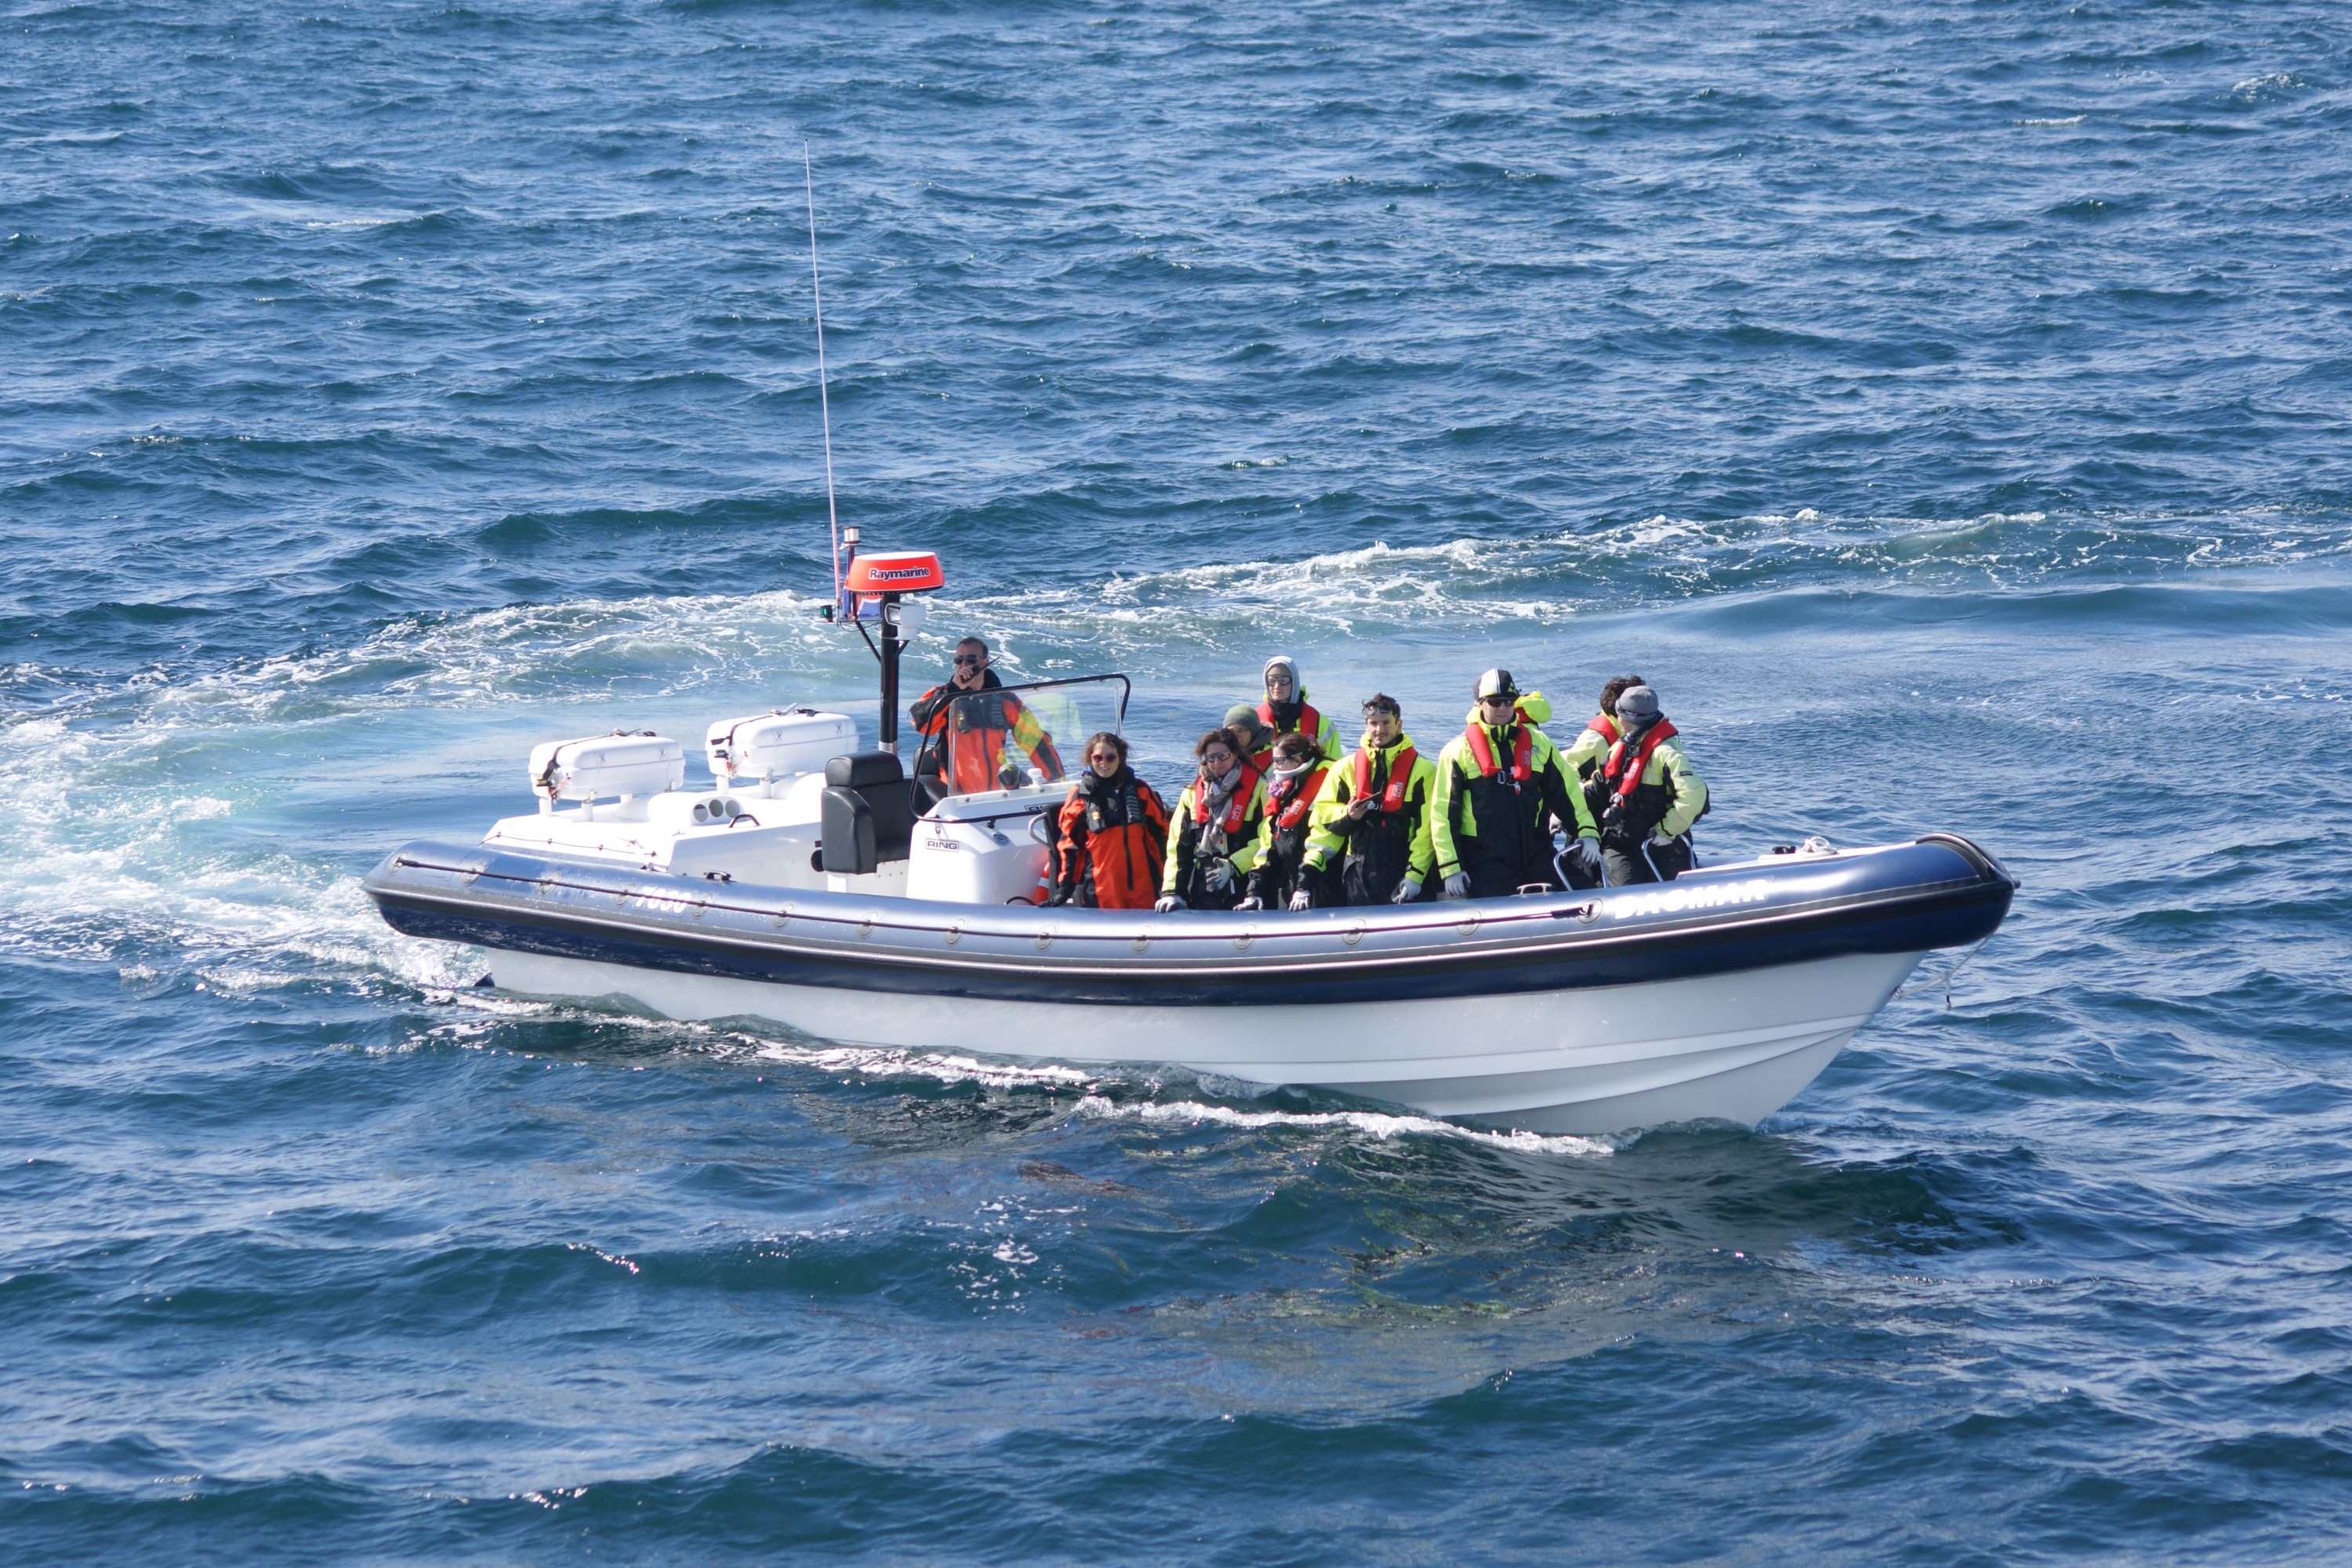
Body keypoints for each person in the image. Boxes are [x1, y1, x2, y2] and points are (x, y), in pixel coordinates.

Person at [1430, 667, 1601, 899]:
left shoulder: (1539, 743)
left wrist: (1587, 833)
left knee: (1587, 896)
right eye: (1495, 702)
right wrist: (1451, 867)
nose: (1503, 708)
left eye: (1509, 701)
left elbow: (1567, 794)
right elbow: (1443, 814)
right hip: (1486, 858)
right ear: (1480, 704)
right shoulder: (1457, 752)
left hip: (1536, 851)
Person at [1302, 694, 1437, 906]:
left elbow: (1427, 831)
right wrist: (1347, 815)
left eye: (1386, 723)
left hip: (1402, 873)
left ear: (1398, 724)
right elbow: (1323, 821)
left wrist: (1415, 876)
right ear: (1366, 726)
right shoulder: (1344, 769)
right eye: (1373, 723)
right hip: (1358, 876)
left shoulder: (1423, 770)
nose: (1379, 730)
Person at [909, 636, 1062, 797]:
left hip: (996, 794)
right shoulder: (943, 696)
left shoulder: (1005, 700)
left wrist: (1057, 780)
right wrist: (954, 690)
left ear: (985, 662)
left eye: (972, 659)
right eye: (959, 659)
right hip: (955, 794)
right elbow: (921, 725)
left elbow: (1035, 739)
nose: (964, 665)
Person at [1593, 684, 1708, 885]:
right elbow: (1597, 787)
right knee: (1622, 893)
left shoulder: (1666, 753)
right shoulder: (1620, 748)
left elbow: (1694, 795)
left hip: (1660, 843)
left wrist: (1667, 831)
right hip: (1622, 842)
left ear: (1625, 717)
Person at [1050, 731, 1171, 909]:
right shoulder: (1079, 797)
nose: (1103, 763)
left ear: (1120, 758)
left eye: (1110, 757)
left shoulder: (1141, 791)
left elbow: (1161, 838)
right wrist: (1064, 890)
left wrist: (1169, 886)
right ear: (1090, 759)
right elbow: (1071, 847)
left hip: (1143, 890)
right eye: (1098, 758)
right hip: (1101, 893)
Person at [1156, 729, 1267, 913]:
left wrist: (1234, 865)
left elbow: (1267, 841)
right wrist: (1172, 892)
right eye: (1211, 757)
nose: (1217, 763)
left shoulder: (1259, 788)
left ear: (1235, 754)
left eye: (1223, 756)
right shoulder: (1191, 794)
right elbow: (1178, 848)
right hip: (1205, 886)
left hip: (1248, 885)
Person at [1235, 732, 1332, 911]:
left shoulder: (1325, 787)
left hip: (1320, 887)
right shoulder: (1282, 793)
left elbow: (1322, 843)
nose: (1275, 766)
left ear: (1298, 760)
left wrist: (1305, 887)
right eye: (1274, 760)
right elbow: (1267, 848)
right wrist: (1254, 892)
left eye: (1280, 760)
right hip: (1294, 888)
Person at [1564, 673, 1646, 819]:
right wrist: (1588, 797)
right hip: (1593, 822)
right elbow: (1565, 771)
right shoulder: (1595, 740)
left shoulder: (1627, 736)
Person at [1254, 656, 1341, 765]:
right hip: (1265, 781)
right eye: (1272, 681)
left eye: (1283, 681)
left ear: (1294, 681)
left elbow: (1336, 767)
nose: (1277, 686)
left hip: (1309, 781)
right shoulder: (1254, 722)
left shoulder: (1323, 725)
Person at [1222, 703, 1279, 771]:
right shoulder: (1218, 754)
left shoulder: (1275, 757)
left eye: (1240, 730)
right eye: (1231, 731)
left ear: (1254, 732)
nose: (1235, 735)